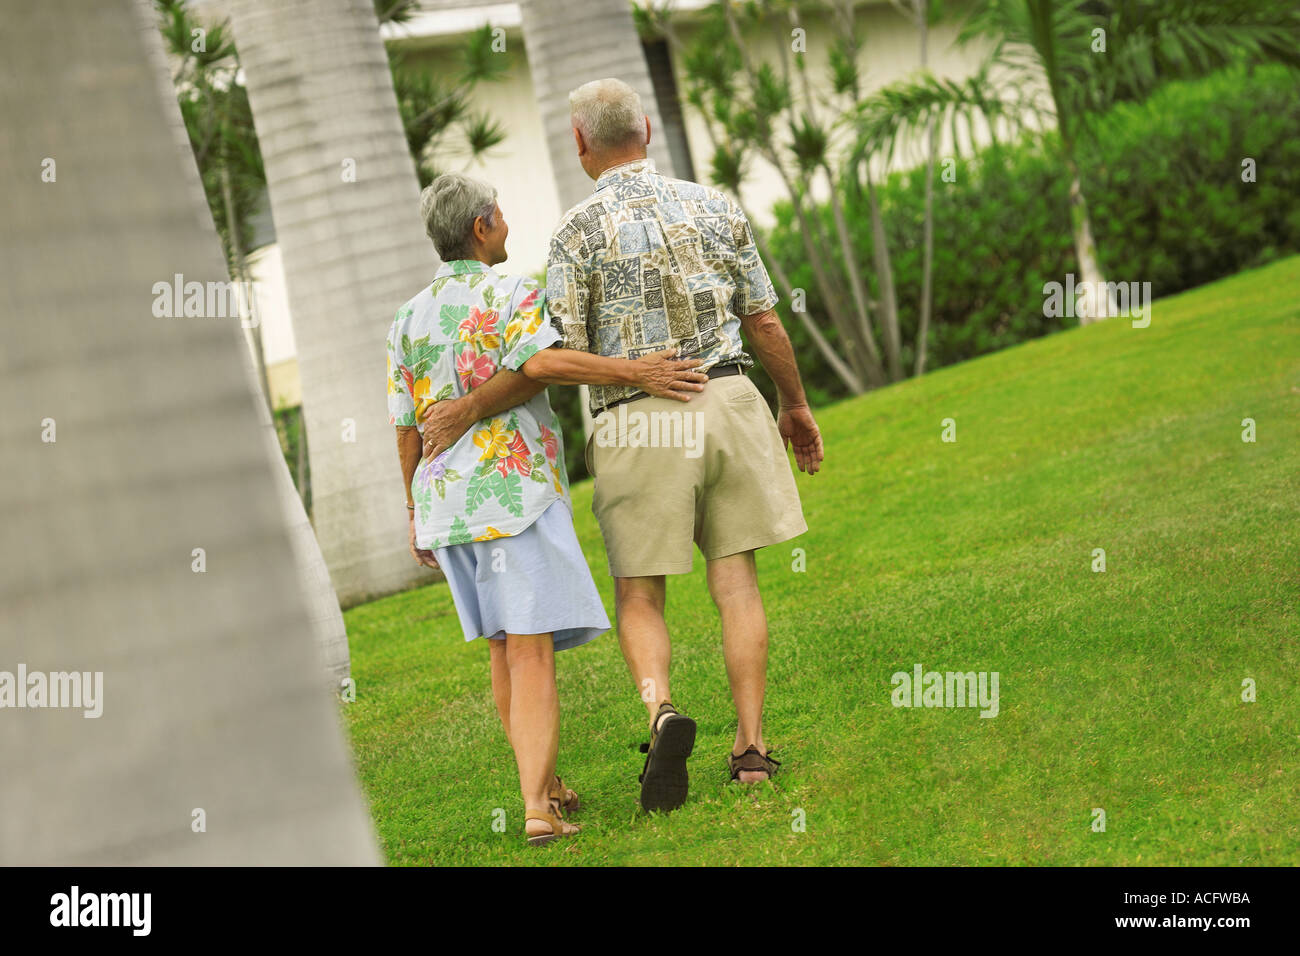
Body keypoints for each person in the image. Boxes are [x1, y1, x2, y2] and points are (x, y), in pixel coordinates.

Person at [421, 78, 825, 813]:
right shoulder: (715, 205)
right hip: (731, 398)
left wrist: (465, 411)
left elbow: (555, 354)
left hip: (638, 418)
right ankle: (752, 750)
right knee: (736, 582)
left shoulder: (574, 233)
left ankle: (661, 711)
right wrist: (793, 404)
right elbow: (763, 321)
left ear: (580, 145)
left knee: (641, 592)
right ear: (645, 126)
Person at [388, 172, 707, 844]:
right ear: (482, 227)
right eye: (498, 215)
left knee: (505, 651)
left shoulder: (406, 317)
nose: (505, 224)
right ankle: (536, 808)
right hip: (511, 500)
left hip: (446, 506)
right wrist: (640, 371)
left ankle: (549, 786)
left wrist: (414, 508)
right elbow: (544, 365)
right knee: (531, 653)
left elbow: (404, 425)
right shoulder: (510, 292)